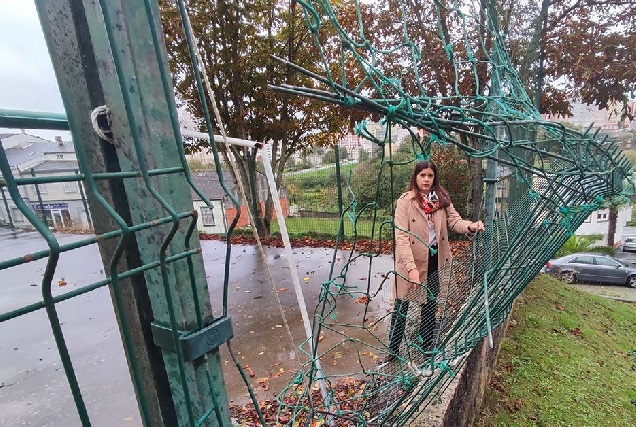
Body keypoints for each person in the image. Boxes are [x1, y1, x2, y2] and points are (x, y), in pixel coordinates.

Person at [385, 159, 484, 363]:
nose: (427, 179)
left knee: (430, 303)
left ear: (434, 178)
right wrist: (411, 269)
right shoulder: (406, 202)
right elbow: (401, 237)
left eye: (430, 175)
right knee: (401, 306)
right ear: (415, 177)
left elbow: (454, 221)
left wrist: (470, 226)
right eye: (423, 175)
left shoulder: (441, 199)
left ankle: (426, 344)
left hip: (434, 258)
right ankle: (392, 352)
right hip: (410, 261)